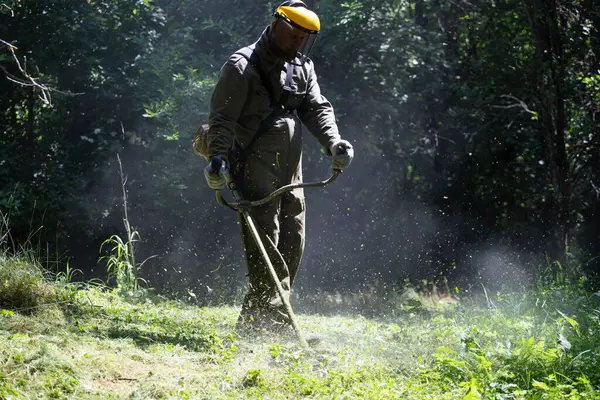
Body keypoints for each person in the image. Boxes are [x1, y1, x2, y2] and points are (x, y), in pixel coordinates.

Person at [203, 0, 354, 336]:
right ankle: (276, 322)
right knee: (265, 242)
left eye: (305, 37)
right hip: (253, 165)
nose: (298, 42)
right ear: (276, 25)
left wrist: (335, 143)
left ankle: (254, 323)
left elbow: (316, 108)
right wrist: (217, 159)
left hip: (290, 170)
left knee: (293, 240)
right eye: (294, 33)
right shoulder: (242, 66)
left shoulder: (303, 67)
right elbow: (222, 119)